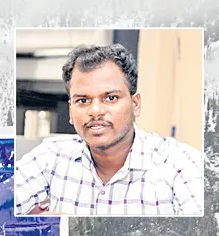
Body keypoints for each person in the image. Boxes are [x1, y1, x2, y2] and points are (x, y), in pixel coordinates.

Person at [14, 43, 204, 216]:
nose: (95, 111)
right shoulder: (49, 158)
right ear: (71, 110)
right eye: (83, 101)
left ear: (135, 104)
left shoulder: (182, 166)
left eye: (110, 98)